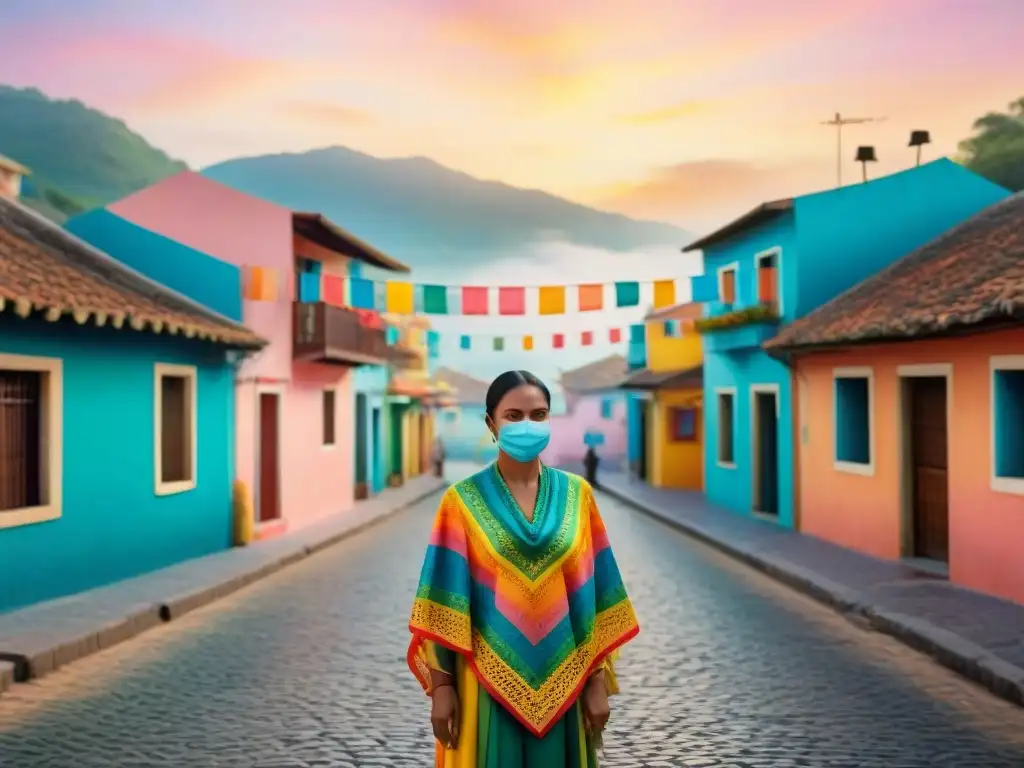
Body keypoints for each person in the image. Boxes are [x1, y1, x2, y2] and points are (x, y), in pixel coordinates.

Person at [407, 370, 640, 767]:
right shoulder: (461, 501)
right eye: (513, 415)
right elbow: (442, 601)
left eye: (538, 414)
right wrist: (442, 688)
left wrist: (597, 682)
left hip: (568, 679)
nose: (527, 425)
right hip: (482, 685)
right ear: (490, 423)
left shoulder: (577, 496)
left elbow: (595, 594)